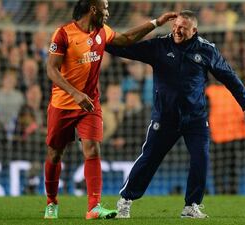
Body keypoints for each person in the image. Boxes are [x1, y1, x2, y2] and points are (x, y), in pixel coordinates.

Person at [106, 10, 245, 219]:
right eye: (175, 26)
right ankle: (125, 200)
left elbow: (230, 78)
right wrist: (101, 42)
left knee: (200, 158)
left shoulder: (207, 50)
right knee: (149, 159)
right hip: (164, 118)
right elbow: (125, 49)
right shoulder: (159, 46)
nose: (177, 30)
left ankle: (191, 206)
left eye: (182, 28)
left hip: (195, 119)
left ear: (194, 30)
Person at [44, 0, 177, 220]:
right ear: (93, 9)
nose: (108, 12)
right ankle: (51, 202)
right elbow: (51, 69)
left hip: (90, 103)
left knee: (93, 150)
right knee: (55, 154)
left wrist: (155, 22)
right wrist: (75, 93)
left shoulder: (101, 32)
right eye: (105, 8)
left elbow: (126, 39)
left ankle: (94, 207)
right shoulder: (63, 34)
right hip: (63, 104)